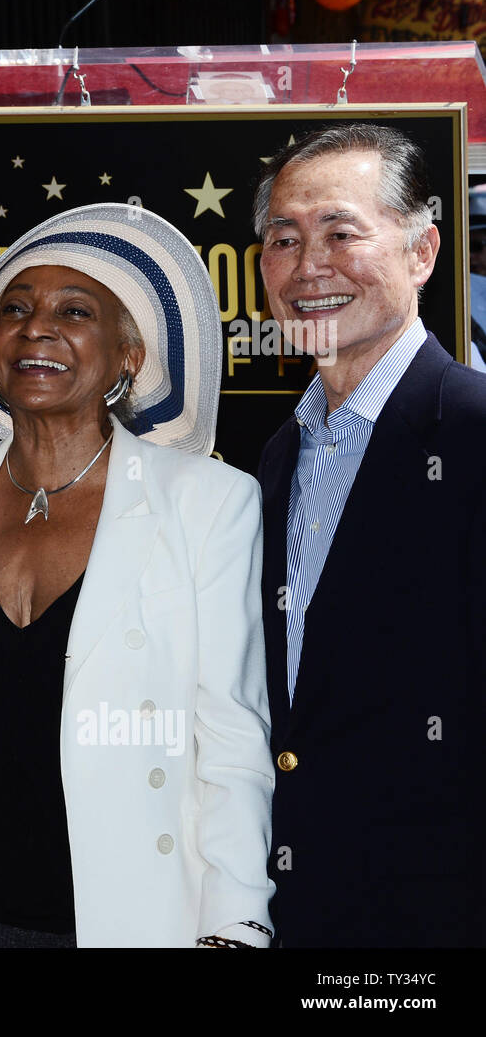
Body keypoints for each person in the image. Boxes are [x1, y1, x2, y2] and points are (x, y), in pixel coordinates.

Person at [0, 203, 275, 948]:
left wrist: (238, 920)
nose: (36, 326)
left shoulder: (209, 503)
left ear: (128, 357)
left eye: (74, 310)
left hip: (132, 916)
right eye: (15, 309)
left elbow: (231, 741)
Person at [253, 124, 486, 947]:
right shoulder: (279, 456)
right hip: (301, 911)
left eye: (341, 232)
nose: (309, 264)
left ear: (422, 252)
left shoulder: (472, 432)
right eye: (284, 238)